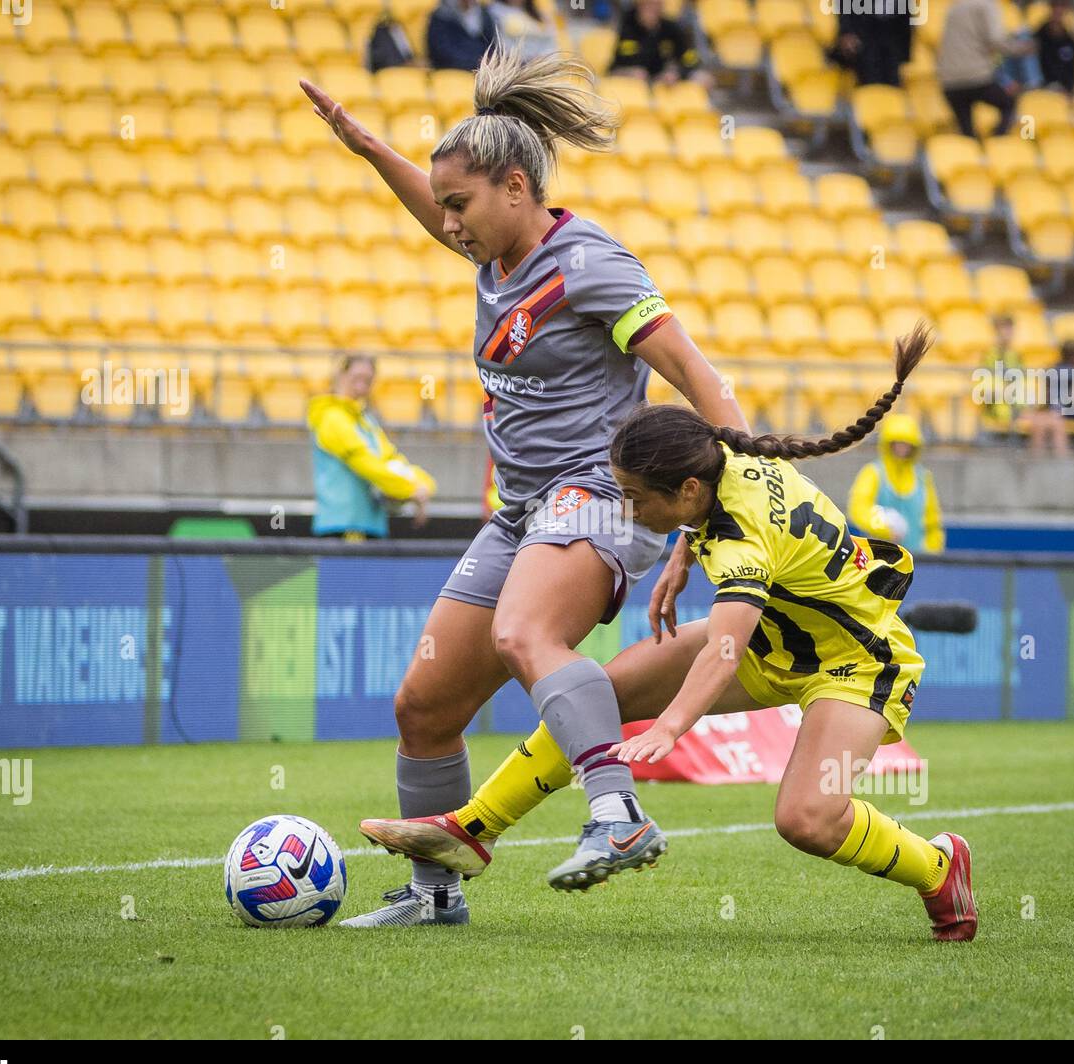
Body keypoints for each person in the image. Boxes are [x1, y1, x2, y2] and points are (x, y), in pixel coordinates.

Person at [300, 43, 747, 926]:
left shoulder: (591, 264)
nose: (450, 222)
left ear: (515, 187)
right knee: (423, 703)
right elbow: (437, 211)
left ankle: (616, 812)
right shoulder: (492, 258)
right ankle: (434, 898)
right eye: (445, 209)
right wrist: (368, 148)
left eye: (461, 204)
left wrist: (724, 504)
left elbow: (701, 376)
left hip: (600, 496)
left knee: (524, 632)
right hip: (519, 513)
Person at [359, 325, 979, 942]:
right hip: (775, 636)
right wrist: (683, 549)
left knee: (806, 821)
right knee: (598, 696)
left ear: (685, 491)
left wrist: (671, 727)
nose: (624, 509)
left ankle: (940, 867)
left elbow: (725, 647)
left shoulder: (740, 539)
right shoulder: (720, 453)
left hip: (857, 663)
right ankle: (474, 829)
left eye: (633, 497)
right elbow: (719, 539)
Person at [307, 354, 435, 539]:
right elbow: (367, 465)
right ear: (341, 375)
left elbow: (391, 459)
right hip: (342, 526)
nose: (362, 384)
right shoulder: (332, 418)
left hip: (370, 525)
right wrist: (411, 490)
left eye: (368, 379)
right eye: (356, 377)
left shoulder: (366, 421)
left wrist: (424, 484)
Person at [847, 413, 945, 555]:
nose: (902, 448)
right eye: (897, 442)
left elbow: (932, 521)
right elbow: (858, 509)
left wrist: (933, 552)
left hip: (917, 559)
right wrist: (884, 529)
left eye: (906, 443)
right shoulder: (873, 473)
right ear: (888, 444)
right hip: (878, 558)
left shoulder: (923, 477)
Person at [937, 0, 1035, 137]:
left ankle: (979, 146)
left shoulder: (954, 7)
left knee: (967, 133)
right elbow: (995, 40)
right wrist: (1020, 48)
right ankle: (996, 143)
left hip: (949, 81)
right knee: (1009, 104)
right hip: (977, 76)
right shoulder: (987, 5)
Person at [610, 0, 710, 88]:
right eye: (647, 4)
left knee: (703, 78)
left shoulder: (671, 28)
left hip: (665, 84)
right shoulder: (625, 26)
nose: (651, 9)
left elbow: (689, 60)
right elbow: (613, 69)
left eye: (656, 4)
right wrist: (630, 72)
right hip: (635, 86)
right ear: (639, 5)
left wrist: (676, 73)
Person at [826, 7, 913, 88]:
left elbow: (906, 18)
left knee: (892, 79)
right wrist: (846, 32)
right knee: (870, 73)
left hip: (892, 40)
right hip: (862, 39)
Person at [1027, 338, 1074, 455]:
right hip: (1056, 413)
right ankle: (1035, 466)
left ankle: (1063, 467)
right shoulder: (1055, 370)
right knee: (1040, 422)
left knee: (1056, 422)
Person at [427, 0, 497, 72]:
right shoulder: (441, 16)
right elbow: (441, 51)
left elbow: (491, 43)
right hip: (453, 70)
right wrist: (476, 63)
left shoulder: (484, 14)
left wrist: (489, 61)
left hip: (482, 68)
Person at [1034, 0, 1074, 95]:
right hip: (1042, 86)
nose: (1058, 10)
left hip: (1063, 89)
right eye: (1055, 5)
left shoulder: (1070, 41)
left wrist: (1068, 89)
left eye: (1062, 6)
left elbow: (1071, 72)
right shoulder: (1039, 35)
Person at [489, 0, 559, 60]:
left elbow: (551, 41)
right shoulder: (495, 11)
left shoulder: (538, 14)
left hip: (545, 65)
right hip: (518, 68)